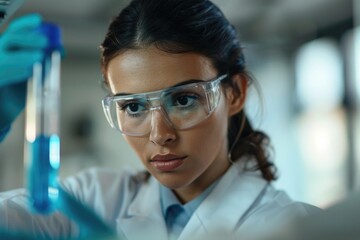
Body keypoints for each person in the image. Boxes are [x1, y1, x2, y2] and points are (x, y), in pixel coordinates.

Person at [0, 0, 320, 239]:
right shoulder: (94, 198)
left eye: (183, 100)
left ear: (234, 92)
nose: (159, 135)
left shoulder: (299, 228)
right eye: (134, 107)